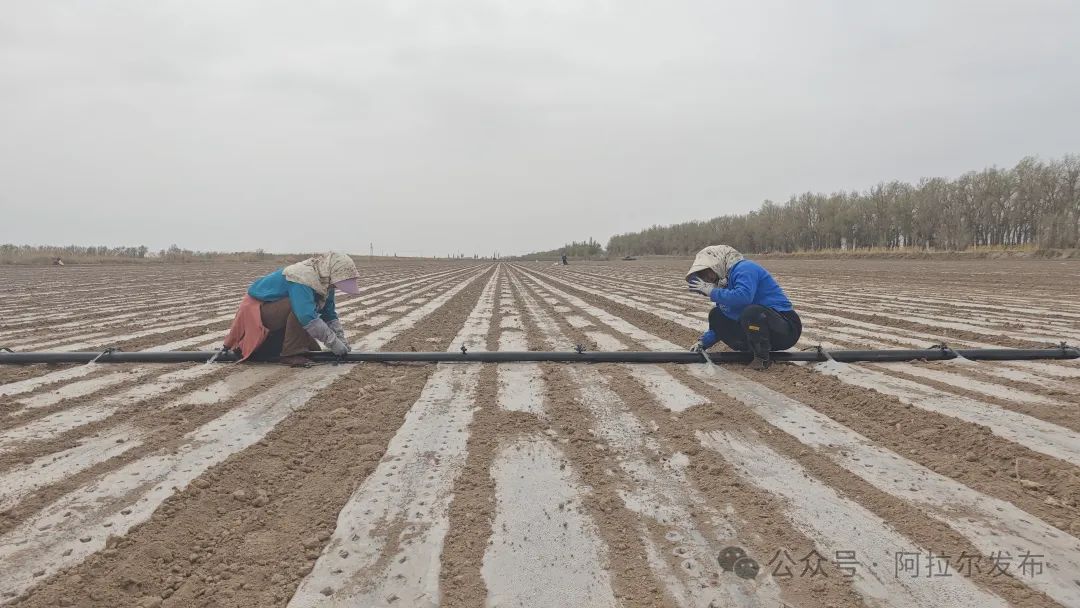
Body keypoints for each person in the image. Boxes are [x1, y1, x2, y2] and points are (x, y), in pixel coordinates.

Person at [224, 252, 361, 365]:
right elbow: (305, 315)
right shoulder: (301, 276)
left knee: (312, 341)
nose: (335, 288)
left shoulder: (326, 282)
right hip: (258, 312)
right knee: (301, 307)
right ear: (332, 272)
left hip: (276, 314)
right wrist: (333, 343)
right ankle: (290, 354)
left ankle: (294, 349)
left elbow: (329, 313)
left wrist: (341, 340)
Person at [685, 245, 801, 370]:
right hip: (760, 329)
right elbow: (726, 318)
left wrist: (713, 292)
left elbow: (744, 297)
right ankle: (753, 350)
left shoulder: (745, 268)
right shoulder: (725, 282)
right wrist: (703, 343)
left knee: (751, 313)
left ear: (717, 263)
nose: (708, 279)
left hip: (785, 327)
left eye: (708, 273)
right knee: (717, 314)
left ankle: (762, 358)